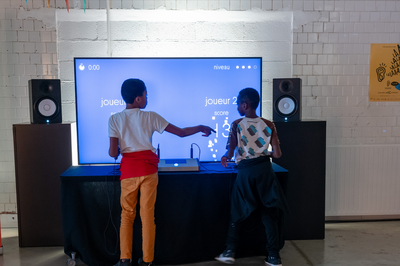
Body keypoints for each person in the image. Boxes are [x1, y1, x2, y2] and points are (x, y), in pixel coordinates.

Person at [108, 78, 215, 266]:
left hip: (129, 171)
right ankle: (147, 260)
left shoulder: (114, 119)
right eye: (145, 94)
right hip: (148, 170)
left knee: (127, 214)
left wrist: (119, 149)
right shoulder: (151, 116)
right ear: (139, 98)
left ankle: (125, 259)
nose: (147, 97)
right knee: (147, 215)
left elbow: (112, 152)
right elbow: (181, 133)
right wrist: (200, 127)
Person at [215, 88, 289, 266]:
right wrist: (266, 154)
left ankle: (229, 250)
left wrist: (226, 156)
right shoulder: (269, 124)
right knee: (269, 212)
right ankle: (273, 256)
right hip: (265, 171)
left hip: (246, 172)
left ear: (245, 104)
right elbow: (277, 154)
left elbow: (230, 151)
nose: (237, 106)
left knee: (237, 210)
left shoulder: (237, 124)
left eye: (238, 103)